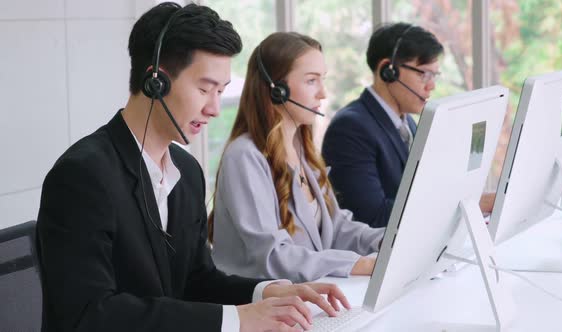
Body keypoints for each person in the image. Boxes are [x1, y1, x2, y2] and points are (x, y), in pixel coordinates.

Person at [36, 3, 349, 332]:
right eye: (204, 89)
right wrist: (238, 320)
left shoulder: (186, 172)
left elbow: (196, 280)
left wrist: (268, 292)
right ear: (155, 82)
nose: (215, 108)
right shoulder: (83, 176)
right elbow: (90, 314)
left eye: (221, 91)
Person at [208, 32, 384, 284]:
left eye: (322, 80)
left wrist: (391, 240)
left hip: (306, 298)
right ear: (277, 89)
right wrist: (359, 264)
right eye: (311, 81)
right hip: (260, 308)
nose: (322, 93)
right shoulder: (245, 156)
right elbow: (273, 255)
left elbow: (338, 229)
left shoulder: (303, 151)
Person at [322, 22, 495, 229]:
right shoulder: (350, 128)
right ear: (388, 70)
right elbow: (372, 216)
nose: (431, 85)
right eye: (423, 74)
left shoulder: (407, 123)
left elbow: (421, 194)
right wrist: (467, 204)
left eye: (434, 75)